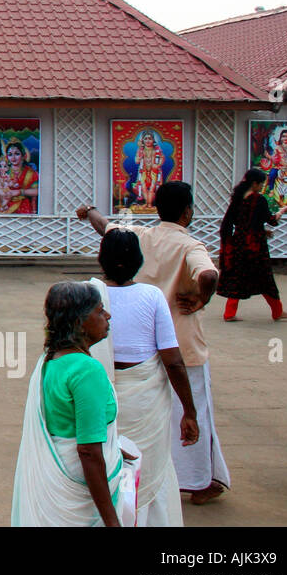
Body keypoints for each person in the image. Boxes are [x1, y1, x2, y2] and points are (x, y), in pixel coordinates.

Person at [78, 181, 230, 505]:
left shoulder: (142, 237)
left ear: (157, 209)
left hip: (141, 342)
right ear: (188, 211)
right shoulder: (192, 246)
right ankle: (199, 481)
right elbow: (209, 276)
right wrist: (202, 299)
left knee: (151, 416)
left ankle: (153, 475)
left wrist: (88, 211)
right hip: (181, 342)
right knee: (191, 413)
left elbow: (104, 226)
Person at [88, 229, 199, 526]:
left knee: (105, 467)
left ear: (102, 260)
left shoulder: (88, 295)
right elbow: (173, 362)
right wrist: (189, 411)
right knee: (149, 467)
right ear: (139, 261)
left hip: (98, 400)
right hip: (146, 400)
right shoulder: (152, 297)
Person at [12, 281, 135, 527]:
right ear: (79, 322)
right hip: (80, 483)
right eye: (100, 311)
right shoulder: (86, 370)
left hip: (56, 480)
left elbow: (68, 424)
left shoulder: (50, 361)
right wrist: (112, 520)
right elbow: (88, 450)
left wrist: (112, 446)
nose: (107, 315)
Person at [217, 168, 287, 322]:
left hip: (239, 244)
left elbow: (231, 223)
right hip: (256, 246)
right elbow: (271, 220)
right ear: (254, 184)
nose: (261, 187)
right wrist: (282, 211)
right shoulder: (259, 200)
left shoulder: (237, 199)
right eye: (261, 184)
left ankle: (229, 313)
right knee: (265, 278)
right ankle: (277, 311)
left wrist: (230, 242)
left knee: (238, 277)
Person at [0, 140, 38, 214]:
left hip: (23, 206)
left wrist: (19, 192)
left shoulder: (30, 173)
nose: (13, 157)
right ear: (7, 157)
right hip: (3, 204)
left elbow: (37, 191)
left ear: (23, 156)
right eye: (10, 154)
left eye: (17, 154)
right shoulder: (4, 171)